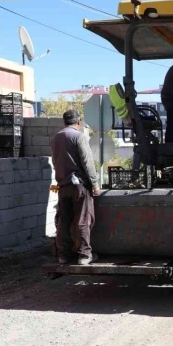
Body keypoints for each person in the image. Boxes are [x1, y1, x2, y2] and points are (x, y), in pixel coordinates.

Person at [51, 110, 100, 265]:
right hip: (79, 186)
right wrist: (95, 183)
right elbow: (87, 162)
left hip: (62, 185)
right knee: (84, 220)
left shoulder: (56, 138)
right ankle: (84, 255)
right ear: (79, 121)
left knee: (64, 221)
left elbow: (55, 162)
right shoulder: (79, 137)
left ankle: (63, 256)